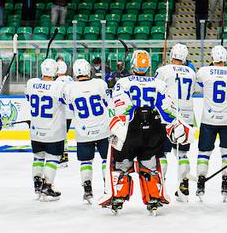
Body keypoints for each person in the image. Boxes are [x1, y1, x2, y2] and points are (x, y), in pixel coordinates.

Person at [104, 50, 186, 215]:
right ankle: (153, 198)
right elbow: (168, 110)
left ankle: (118, 198)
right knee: (149, 165)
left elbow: (120, 108)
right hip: (153, 132)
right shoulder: (159, 84)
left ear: (133, 64)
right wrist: (173, 125)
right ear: (148, 66)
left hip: (130, 131)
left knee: (121, 164)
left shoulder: (124, 82)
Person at [60, 60, 111, 203]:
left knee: (86, 161)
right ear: (89, 71)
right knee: (106, 159)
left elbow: (70, 109)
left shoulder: (69, 88)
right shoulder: (100, 84)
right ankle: (108, 185)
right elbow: (108, 102)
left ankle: (87, 189)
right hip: (103, 130)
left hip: (83, 132)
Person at [195, 45, 227, 200]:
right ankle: (225, 182)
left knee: (204, 153)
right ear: (226, 58)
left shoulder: (204, 71)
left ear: (212, 58)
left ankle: (201, 182)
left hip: (208, 120)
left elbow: (201, 86)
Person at [156, 44, 199, 199]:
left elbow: (156, 91)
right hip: (187, 116)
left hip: (167, 117)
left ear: (172, 54)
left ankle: (160, 184)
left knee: (162, 153)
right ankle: (183, 185)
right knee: (182, 153)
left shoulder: (163, 70)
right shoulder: (191, 72)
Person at [23, 58, 68, 201]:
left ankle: (37, 183)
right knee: (52, 158)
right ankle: (47, 186)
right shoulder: (59, 86)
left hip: (36, 130)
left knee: (38, 157)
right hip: (53, 131)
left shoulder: (31, 83)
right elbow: (67, 101)